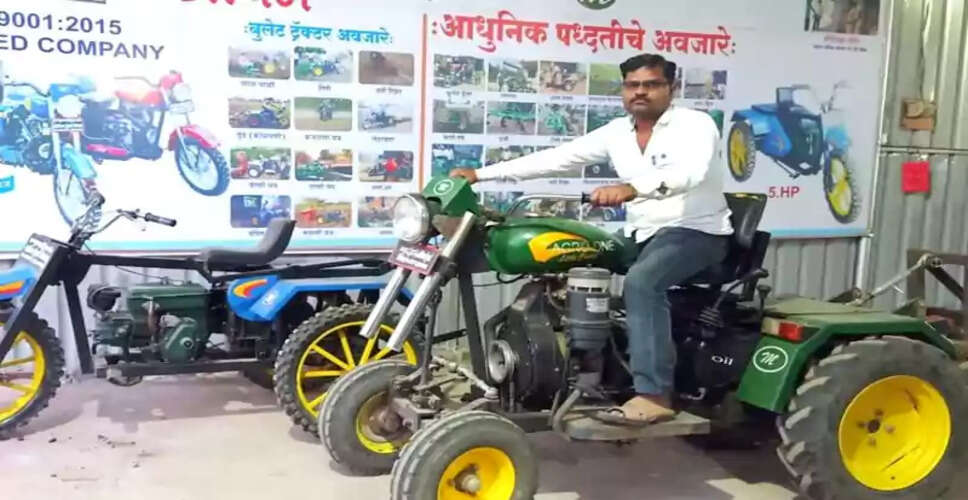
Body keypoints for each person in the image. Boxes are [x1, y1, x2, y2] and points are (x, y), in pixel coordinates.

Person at [449, 53, 733, 426]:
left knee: (642, 283)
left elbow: (689, 172)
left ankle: (654, 393)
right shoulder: (618, 132)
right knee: (573, 260)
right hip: (643, 234)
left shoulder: (695, 125)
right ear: (623, 90)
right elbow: (558, 158)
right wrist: (480, 174)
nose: (641, 92)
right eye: (633, 85)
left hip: (698, 232)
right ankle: (575, 367)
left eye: (652, 84)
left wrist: (632, 188)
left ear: (671, 88)